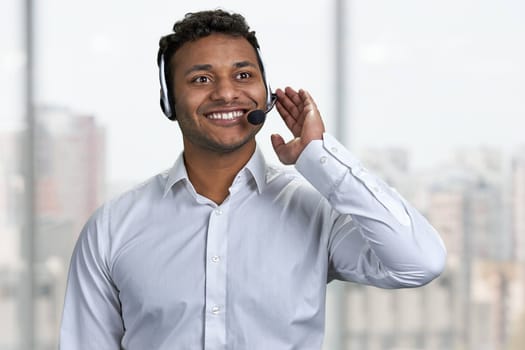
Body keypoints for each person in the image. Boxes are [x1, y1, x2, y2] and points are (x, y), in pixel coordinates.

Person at [59, 9, 446, 350]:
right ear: (169, 101)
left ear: (266, 94)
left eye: (243, 75)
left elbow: (420, 263)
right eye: (201, 79)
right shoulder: (113, 228)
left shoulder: (315, 213)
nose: (227, 93)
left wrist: (320, 156)